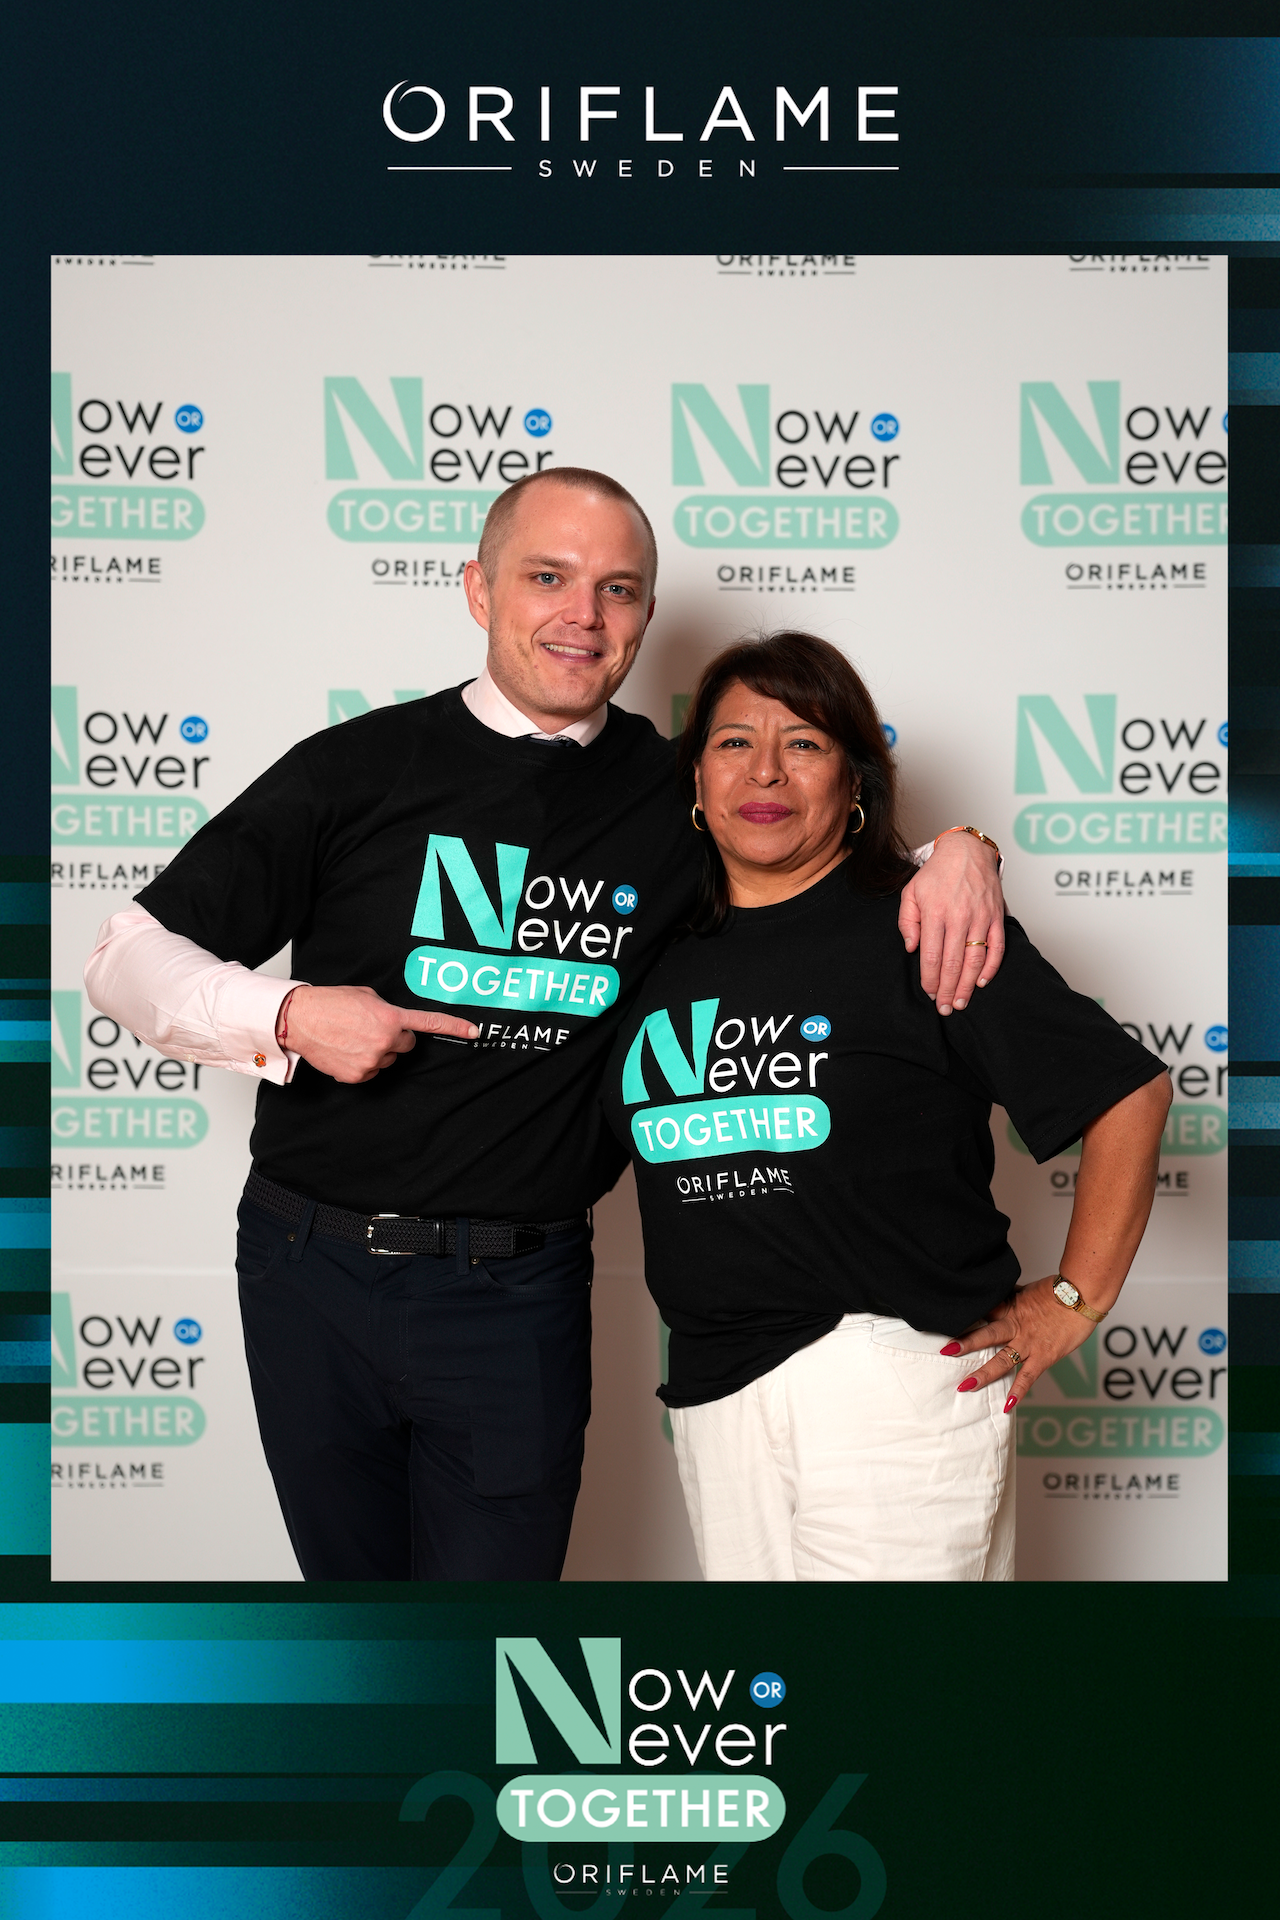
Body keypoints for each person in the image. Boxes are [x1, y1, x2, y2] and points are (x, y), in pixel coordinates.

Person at [84, 470, 1007, 1584]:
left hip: (514, 1291)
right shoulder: (357, 767)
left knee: (497, 1630)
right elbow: (124, 957)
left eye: (617, 588)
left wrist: (959, 850)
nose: (583, 615)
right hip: (305, 1266)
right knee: (353, 1621)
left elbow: (817, 852)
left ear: (646, 615)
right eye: (547, 577)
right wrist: (285, 1011)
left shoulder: (679, 792)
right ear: (479, 591)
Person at [603, 630, 1172, 1582]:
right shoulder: (657, 954)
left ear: (855, 782)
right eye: (734, 742)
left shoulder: (926, 924)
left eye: (805, 742)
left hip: (886, 1385)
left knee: (881, 1680)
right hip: (712, 1393)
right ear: (696, 782)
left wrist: (1077, 1299)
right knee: (766, 1680)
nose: (766, 771)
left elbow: (1129, 1091)